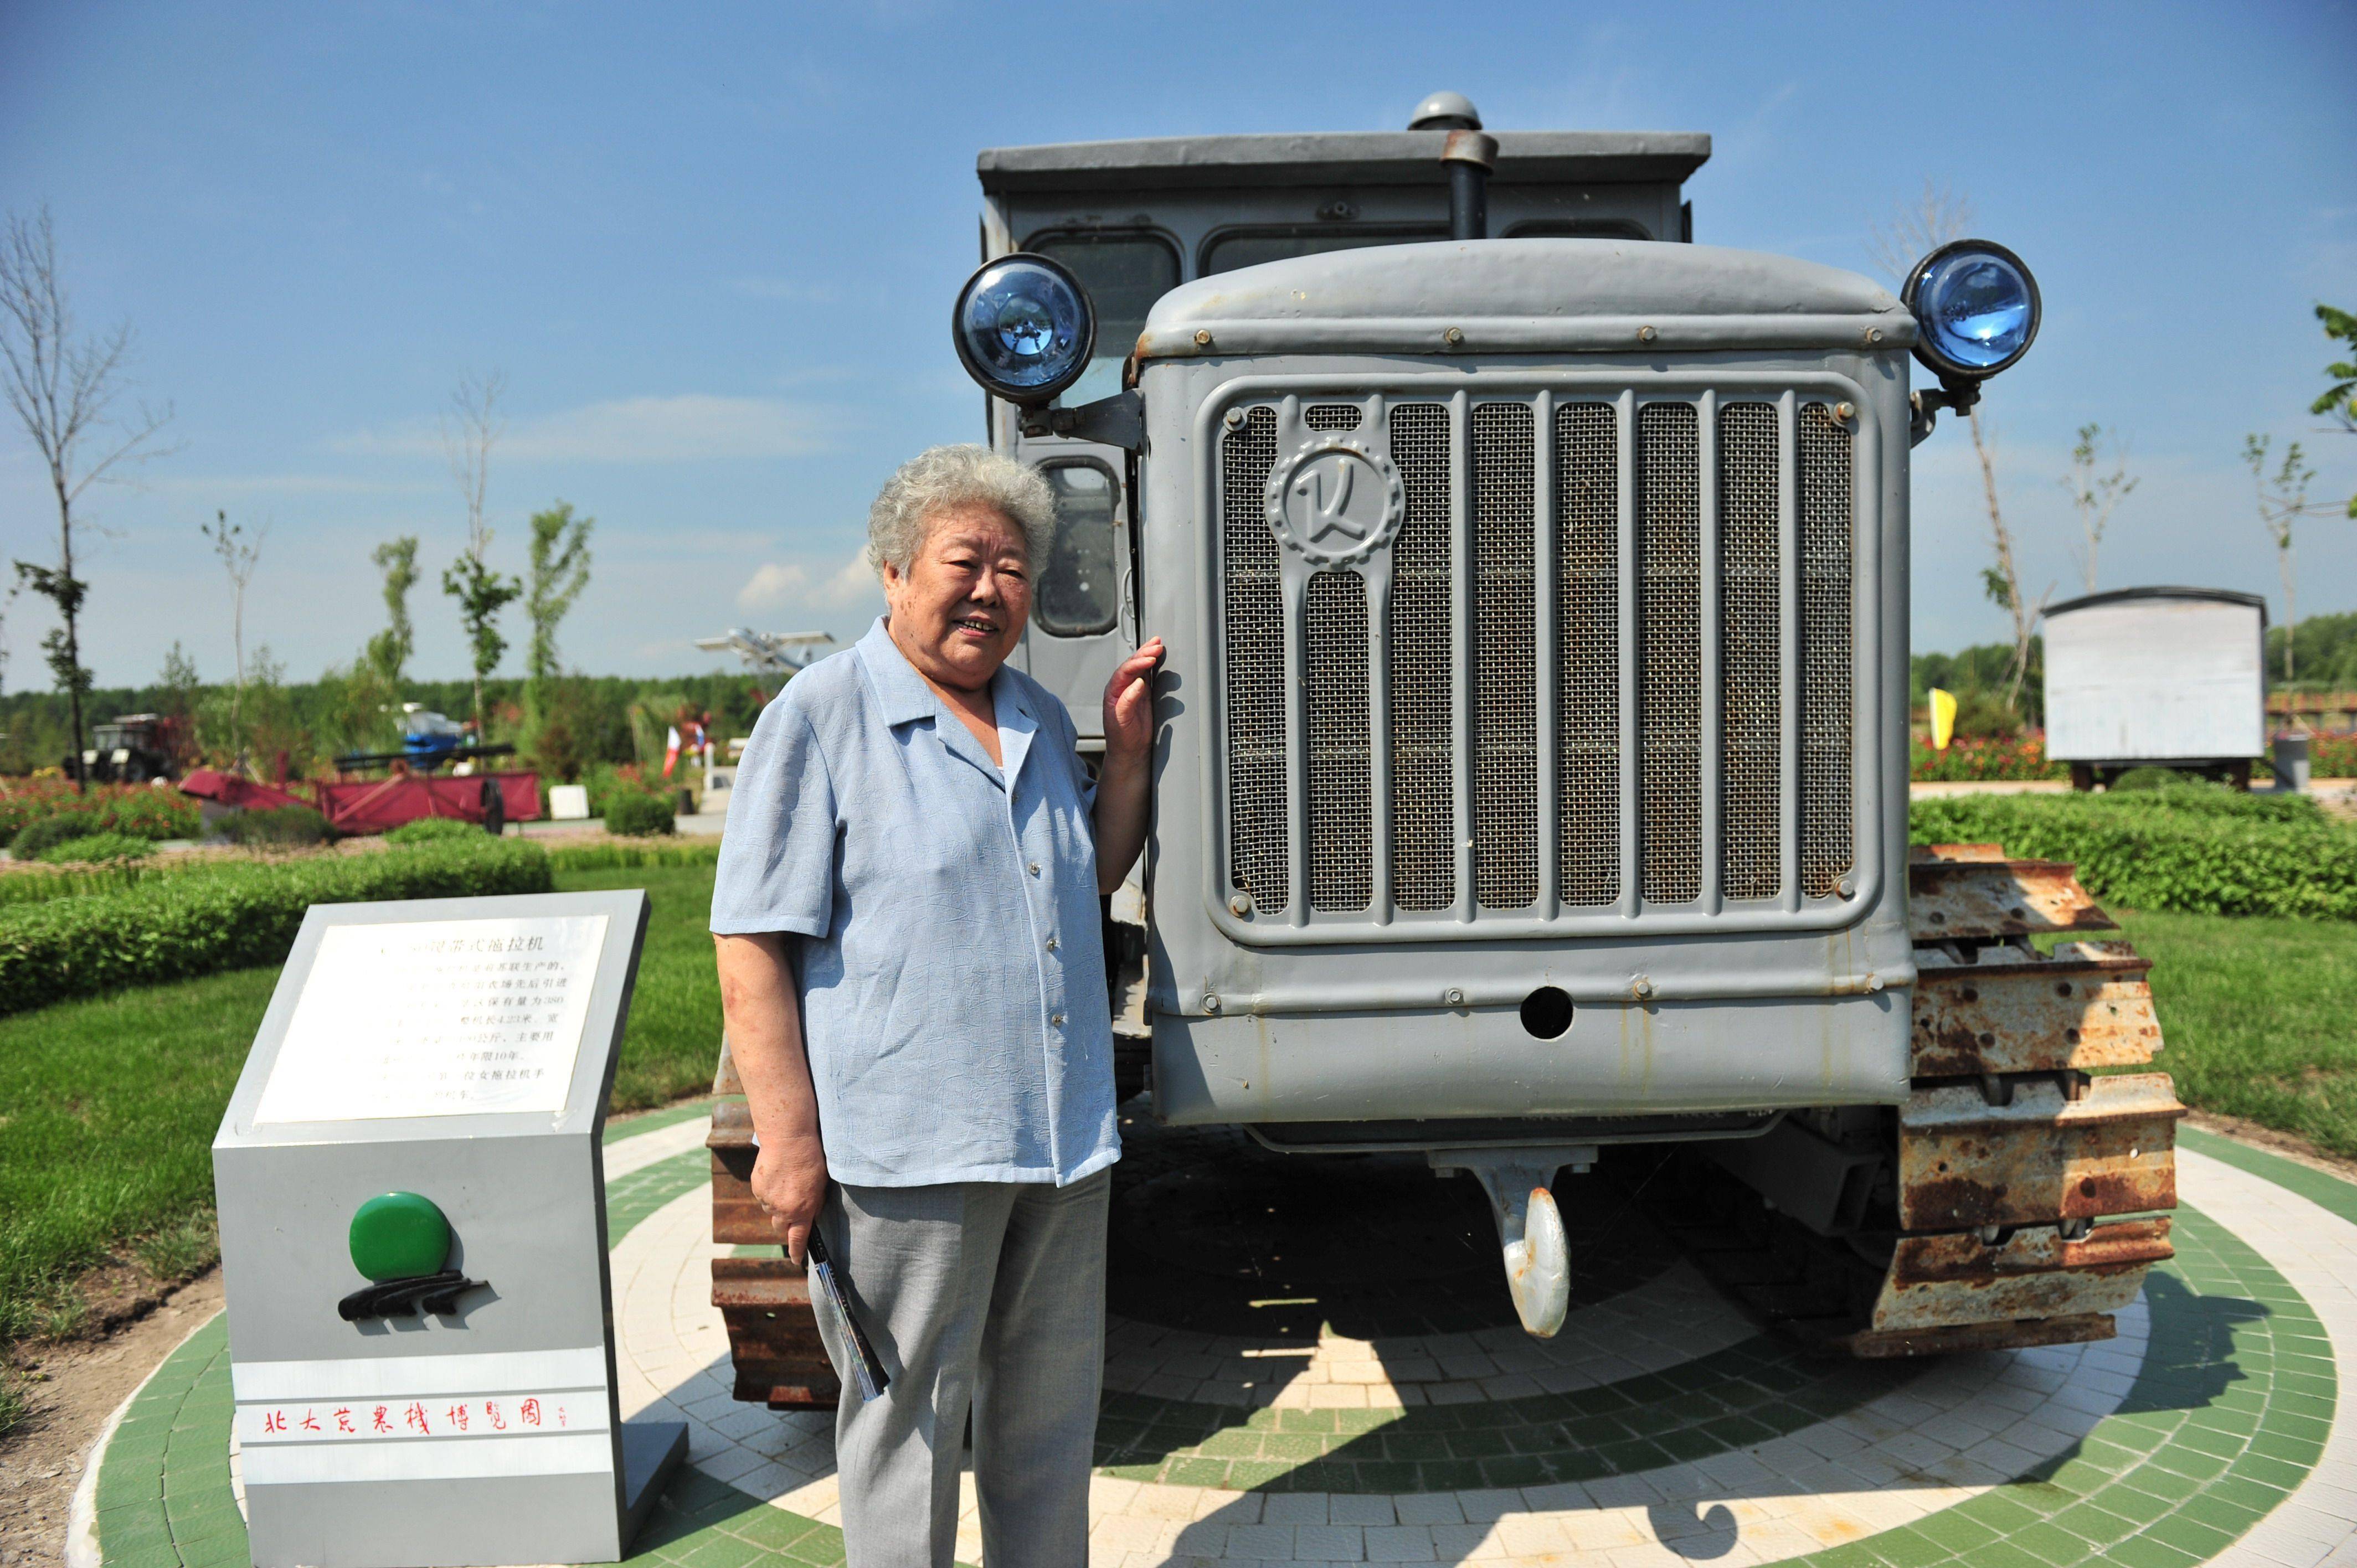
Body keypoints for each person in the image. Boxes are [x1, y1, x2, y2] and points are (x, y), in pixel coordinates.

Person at [711, 443, 1161, 1568]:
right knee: (906, 1431)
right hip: (906, 1157)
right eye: (966, 561)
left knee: (1047, 1427)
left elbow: (1091, 874)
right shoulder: (819, 717)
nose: (990, 590)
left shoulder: (1037, 717)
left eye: (1014, 570)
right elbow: (751, 942)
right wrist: (789, 1142)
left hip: (1058, 1143)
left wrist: (1132, 755)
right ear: (894, 571)